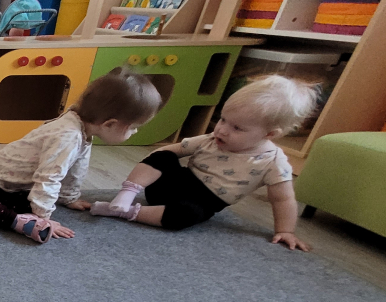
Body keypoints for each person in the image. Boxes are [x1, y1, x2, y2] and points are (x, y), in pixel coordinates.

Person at [91, 74, 318, 250]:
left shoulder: (273, 162)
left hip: (200, 202)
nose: (222, 130)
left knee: (186, 215)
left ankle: (123, 212)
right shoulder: (211, 139)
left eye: (237, 128)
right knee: (164, 155)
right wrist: (151, 169)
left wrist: (286, 230)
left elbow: (283, 198)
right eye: (223, 120)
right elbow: (174, 150)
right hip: (172, 185)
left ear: (270, 134)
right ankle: (126, 194)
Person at [0, 67, 162, 243]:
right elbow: (49, 178)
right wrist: (43, 218)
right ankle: (15, 221)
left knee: (36, 199)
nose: (134, 132)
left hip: (15, 186)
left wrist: (69, 198)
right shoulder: (67, 137)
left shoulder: (83, 129)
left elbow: (76, 169)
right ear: (110, 124)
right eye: (133, 127)